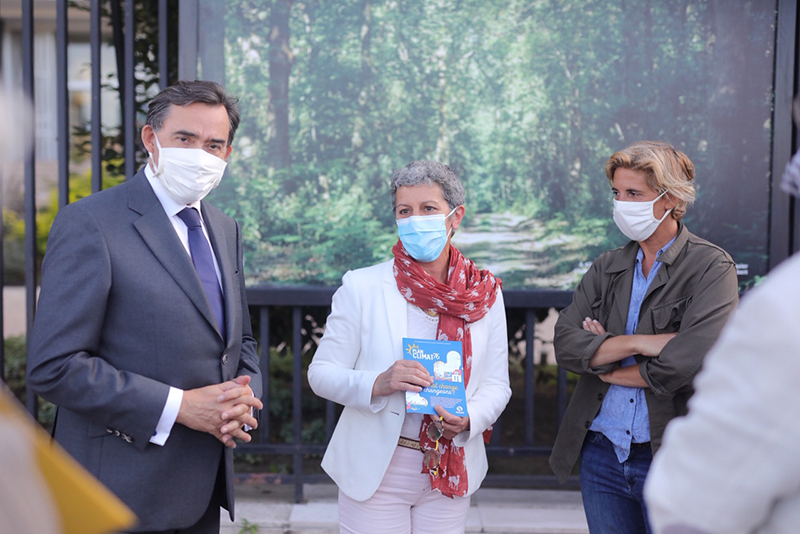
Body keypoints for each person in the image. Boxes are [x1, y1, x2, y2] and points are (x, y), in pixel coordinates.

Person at [27, 80, 263, 534]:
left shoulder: (224, 228)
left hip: (200, 492)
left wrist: (244, 400)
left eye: (214, 144)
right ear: (151, 139)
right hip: (114, 492)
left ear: (228, 154)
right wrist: (178, 407)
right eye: (185, 139)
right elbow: (53, 366)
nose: (201, 153)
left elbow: (239, 340)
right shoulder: (91, 223)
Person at [308, 160, 511, 534]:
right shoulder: (362, 287)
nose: (415, 220)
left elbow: (497, 385)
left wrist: (469, 419)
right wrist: (378, 382)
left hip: (450, 465)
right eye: (405, 211)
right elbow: (320, 374)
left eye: (428, 209)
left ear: (455, 217)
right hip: (376, 469)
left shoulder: (484, 294)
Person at [548, 141, 739, 533]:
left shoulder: (711, 267)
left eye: (634, 193)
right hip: (601, 452)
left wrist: (604, 361)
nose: (622, 204)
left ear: (670, 198)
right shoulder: (608, 265)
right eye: (617, 193)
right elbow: (566, 345)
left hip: (669, 455)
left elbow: (685, 363)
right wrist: (638, 343)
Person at [643, 142, 800, 534]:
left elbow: (696, 502)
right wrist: (647, 343)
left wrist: (618, 352)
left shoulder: (783, 307)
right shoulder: (610, 263)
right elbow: (572, 342)